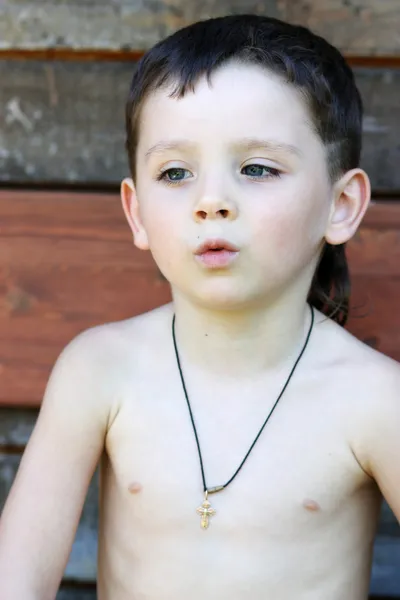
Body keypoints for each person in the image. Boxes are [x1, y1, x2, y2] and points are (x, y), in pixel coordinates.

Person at [0, 13, 399, 600]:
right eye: (176, 172)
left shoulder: (374, 400)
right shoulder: (100, 369)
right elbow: (17, 577)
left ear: (341, 205)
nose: (211, 200)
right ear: (136, 213)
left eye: (257, 168)